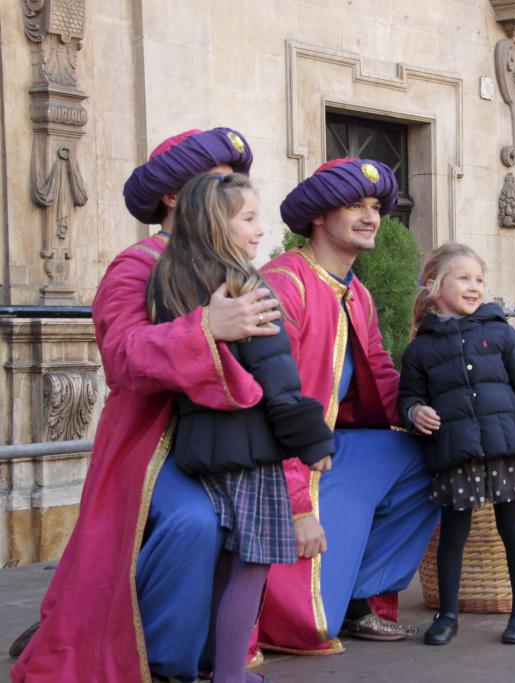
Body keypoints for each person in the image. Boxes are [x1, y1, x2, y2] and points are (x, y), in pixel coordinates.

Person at [11, 128, 278, 683]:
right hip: (155, 446)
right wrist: (206, 327)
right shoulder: (136, 263)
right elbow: (122, 356)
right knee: (195, 525)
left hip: (231, 440)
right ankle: (161, 666)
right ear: (175, 198)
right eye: (214, 179)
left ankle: (214, 658)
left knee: (247, 531)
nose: (228, 190)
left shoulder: (241, 268)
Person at [148, 172, 335, 682]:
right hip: (252, 455)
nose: (259, 231)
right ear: (215, 224)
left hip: (201, 449)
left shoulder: (171, 283)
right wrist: (314, 439)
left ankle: (212, 665)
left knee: (220, 566)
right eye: (248, 219)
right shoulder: (248, 287)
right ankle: (231, 673)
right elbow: (279, 378)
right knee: (248, 571)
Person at [258, 158, 439, 653]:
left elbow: (381, 374)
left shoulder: (356, 292)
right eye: (354, 205)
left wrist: (429, 412)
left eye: (376, 206)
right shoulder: (285, 282)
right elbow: (276, 404)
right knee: (313, 624)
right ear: (318, 215)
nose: (371, 216)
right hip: (276, 460)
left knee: (438, 457)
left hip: (331, 447)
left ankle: (361, 598)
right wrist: (298, 507)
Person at [399, 243, 515, 645]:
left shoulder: (500, 332)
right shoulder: (421, 348)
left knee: (514, 529)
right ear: (435, 285)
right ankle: (446, 613)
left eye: (480, 280)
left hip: (505, 448)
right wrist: (415, 413)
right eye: (464, 278)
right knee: (454, 533)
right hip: (457, 453)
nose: (474, 287)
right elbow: (407, 397)